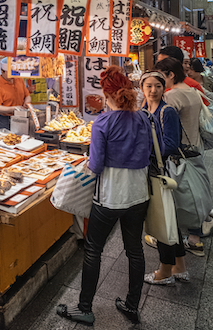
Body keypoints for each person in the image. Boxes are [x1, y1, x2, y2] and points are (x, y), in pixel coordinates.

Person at [57, 67, 150, 325]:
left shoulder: (102, 123)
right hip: (139, 194)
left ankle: (85, 308)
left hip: (110, 196)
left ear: (107, 94)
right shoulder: (143, 118)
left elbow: (95, 166)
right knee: (134, 250)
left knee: (93, 250)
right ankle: (132, 306)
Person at [153, 57, 211, 255]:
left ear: (170, 74)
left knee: (179, 195)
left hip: (178, 153)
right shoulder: (192, 91)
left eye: (161, 77)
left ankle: (171, 235)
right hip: (195, 147)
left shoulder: (172, 96)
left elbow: (162, 126)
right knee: (193, 191)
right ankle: (195, 237)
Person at [139, 72, 189, 285]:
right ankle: (180, 267)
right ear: (142, 88)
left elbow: (171, 144)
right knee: (169, 219)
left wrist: (143, 150)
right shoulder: (144, 110)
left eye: (157, 86)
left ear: (163, 88)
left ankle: (165, 271)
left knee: (162, 221)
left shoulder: (166, 111)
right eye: (148, 86)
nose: (153, 90)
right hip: (152, 171)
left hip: (161, 172)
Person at [0, 58, 31, 130]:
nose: (12, 75)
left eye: (13, 72)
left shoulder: (19, 79)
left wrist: (27, 102)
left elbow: (27, 95)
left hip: (21, 118)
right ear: (2, 71)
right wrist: (14, 108)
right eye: (10, 73)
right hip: (5, 120)